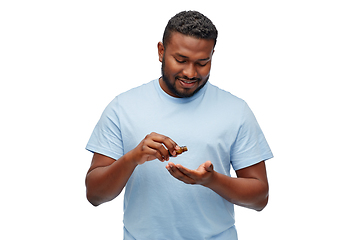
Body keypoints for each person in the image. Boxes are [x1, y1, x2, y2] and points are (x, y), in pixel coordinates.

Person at [85, 10, 273, 240]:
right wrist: (132, 158)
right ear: (161, 51)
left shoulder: (236, 110)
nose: (190, 73)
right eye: (181, 60)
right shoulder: (122, 107)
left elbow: (260, 198)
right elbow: (94, 194)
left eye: (202, 63)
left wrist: (211, 180)